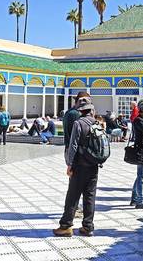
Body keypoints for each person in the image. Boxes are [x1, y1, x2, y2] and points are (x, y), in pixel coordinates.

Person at [53, 97, 100, 237]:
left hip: (80, 165)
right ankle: (88, 227)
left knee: (73, 195)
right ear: (91, 110)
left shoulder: (78, 123)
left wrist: (70, 164)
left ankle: (66, 226)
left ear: (80, 110)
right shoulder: (96, 123)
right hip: (93, 165)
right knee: (90, 196)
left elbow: (73, 146)